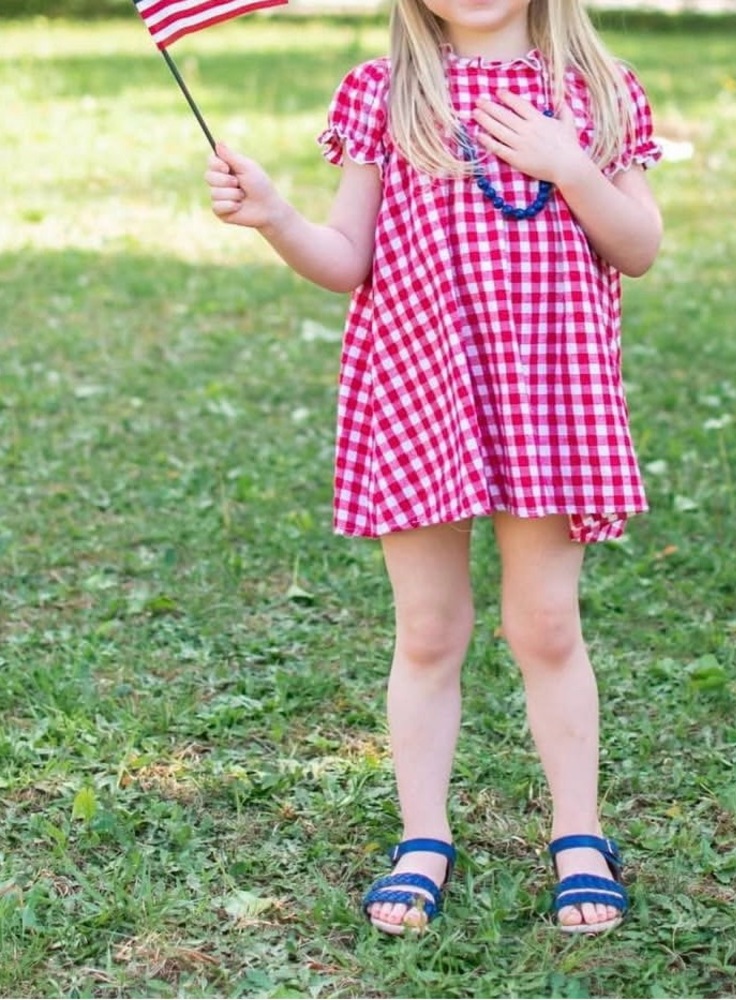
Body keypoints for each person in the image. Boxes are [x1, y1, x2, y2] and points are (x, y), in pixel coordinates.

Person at [204, 0, 663, 937]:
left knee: (543, 625)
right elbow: (347, 259)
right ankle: (424, 836)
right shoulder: (387, 92)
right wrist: (276, 216)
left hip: (547, 393)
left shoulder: (597, 93)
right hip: (422, 389)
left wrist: (567, 163)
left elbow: (640, 247)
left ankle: (580, 835)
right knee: (427, 630)